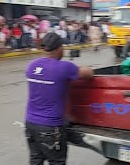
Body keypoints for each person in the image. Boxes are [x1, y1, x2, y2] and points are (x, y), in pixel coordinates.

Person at [25, 33, 93, 165]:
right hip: (51, 127)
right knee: (57, 162)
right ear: (59, 49)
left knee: (35, 160)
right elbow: (89, 74)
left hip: (30, 125)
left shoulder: (32, 65)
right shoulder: (64, 67)